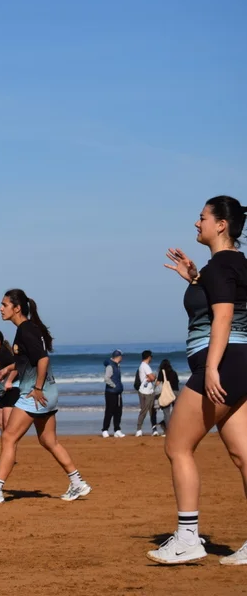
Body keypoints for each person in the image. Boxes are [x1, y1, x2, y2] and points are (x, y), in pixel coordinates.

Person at [148, 195, 247, 566]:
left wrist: (213, 369)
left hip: (221, 364)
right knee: (242, 454)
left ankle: (188, 538)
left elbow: (223, 317)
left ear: (221, 224)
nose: (196, 222)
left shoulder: (220, 265)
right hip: (241, 363)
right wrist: (194, 278)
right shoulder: (235, 264)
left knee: (177, 446)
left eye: (202, 217)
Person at [0, 289, 92, 504]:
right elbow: (27, 360)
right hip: (47, 393)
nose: (0, 308)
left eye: (4, 305)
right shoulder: (27, 329)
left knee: (9, 437)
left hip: (35, 394)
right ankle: (77, 483)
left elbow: (43, 359)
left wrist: (37, 388)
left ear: (17, 308)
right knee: (48, 441)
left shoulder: (26, 330)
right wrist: (8, 369)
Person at [102, 350, 126, 438]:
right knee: (109, 411)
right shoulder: (110, 366)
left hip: (118, 393)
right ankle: (105, 430)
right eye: (121, 356)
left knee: (118, 411)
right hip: (110, 393)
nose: (122, 358)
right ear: (118, 357)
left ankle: (117, 430)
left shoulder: (117, 366)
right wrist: (114, 386)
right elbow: (106, 378)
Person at [135, 351, 159, 436]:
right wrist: (153, 377)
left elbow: (150, 378)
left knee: (147, 410)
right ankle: (143, 429)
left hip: (144, 391)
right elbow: (152, 377)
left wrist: (151, 377)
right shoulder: (146, 366)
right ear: (149, 357)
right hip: (147, 392)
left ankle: (140, 429)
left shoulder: (141, 365)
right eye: (151, 357)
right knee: (148, 411)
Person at [155, 358, 180, 436]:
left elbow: (157, 383)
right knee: (176, 412)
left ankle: (169, 431)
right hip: (176, 392)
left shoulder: (162, 372)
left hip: (167, 393)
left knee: (166, 413)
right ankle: (177, 429)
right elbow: (177, 382)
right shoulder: (174, 372)